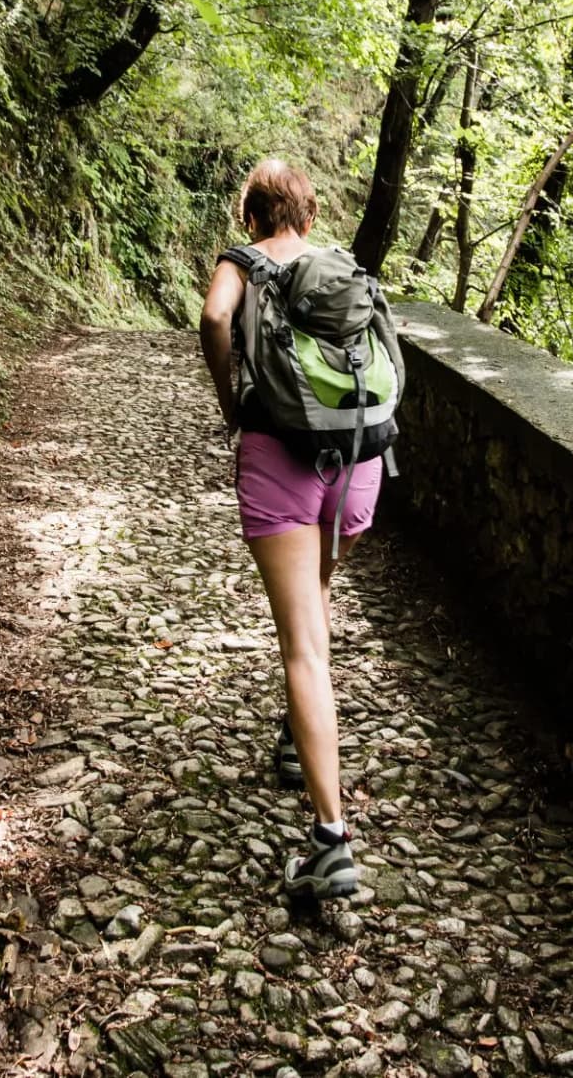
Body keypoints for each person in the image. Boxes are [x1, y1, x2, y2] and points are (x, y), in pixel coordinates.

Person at [198, 159, 382, 900]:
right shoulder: (338, 266)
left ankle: (331, 841)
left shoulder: (242, 262)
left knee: (303, 645)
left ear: (249, 216)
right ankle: (297, 734)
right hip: (360, 460)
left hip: (281, 455)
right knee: (317, 600)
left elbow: (215, 318)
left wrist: (231, 403)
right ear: (310, 215)